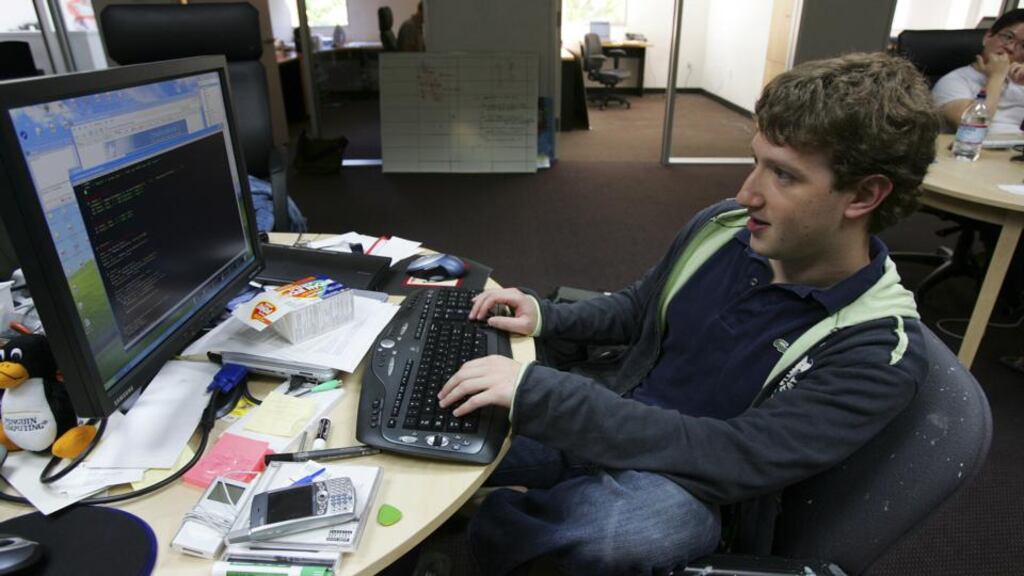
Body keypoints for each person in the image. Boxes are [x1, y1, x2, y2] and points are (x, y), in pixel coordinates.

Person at [437, 52, 941, 575]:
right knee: (437, 416)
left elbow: (734, 456)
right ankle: (524, 505)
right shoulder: (727, 227)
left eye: (784, 176)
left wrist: (550, 397)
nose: (748, 194)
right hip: (613, 408)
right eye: (757, 162)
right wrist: (545, 318)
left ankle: (487, 528)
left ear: (863, 195)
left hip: (690, 481)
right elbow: (640, 308)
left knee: (626, 534)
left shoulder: (878, 348)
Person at [933, 9, 1024, 132]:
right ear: (987, 37)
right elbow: (971, 127)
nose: (1011, 47)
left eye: (1023, 45)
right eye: (1008, 37)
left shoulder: (1019, 80)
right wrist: (996, 77)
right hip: (974, 149)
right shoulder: (954, 81)